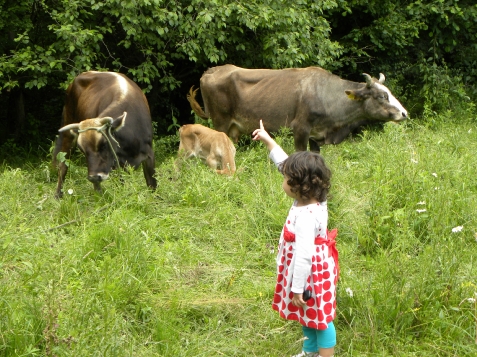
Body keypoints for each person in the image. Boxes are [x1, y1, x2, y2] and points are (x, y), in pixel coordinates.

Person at [252, 120, 339, 357]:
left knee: (322, 319)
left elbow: (303, 256)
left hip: (310, 274)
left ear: (297, 186)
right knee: (309, 313)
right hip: (315, 270)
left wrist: (297, 287)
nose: (283, 178)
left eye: (286, 177)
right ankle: (310, 351)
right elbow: (285, 163)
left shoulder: (305, 217)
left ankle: (325, 355)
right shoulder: (314, 198)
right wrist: (269, 141)